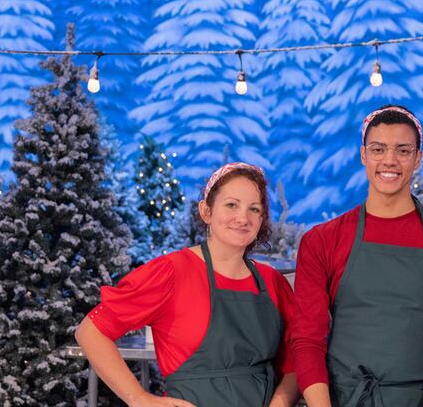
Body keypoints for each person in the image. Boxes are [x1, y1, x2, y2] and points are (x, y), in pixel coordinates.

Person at [292, 105, 423, 407]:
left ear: (418, 158)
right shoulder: (322, 241)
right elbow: (307, 340)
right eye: (378, 149)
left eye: (403, 151)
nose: (389, 160)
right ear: (363, 155)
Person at [75, 163, 300, 407]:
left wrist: (280, 403)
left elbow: (297, 361)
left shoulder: (273, 282)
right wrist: (138, 398)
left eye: (254, 209)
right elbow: (91, 332)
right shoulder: (171, 272)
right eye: (231, 205)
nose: (242, 218)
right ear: (206, 211)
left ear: (261, 219)